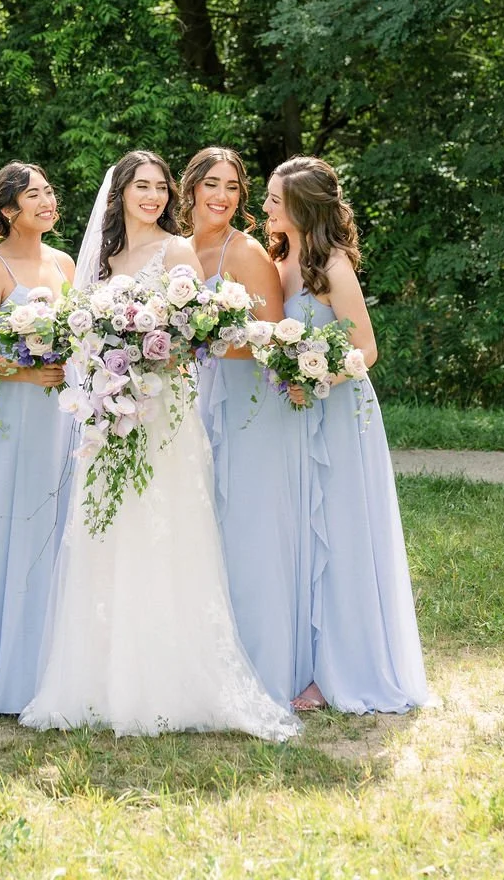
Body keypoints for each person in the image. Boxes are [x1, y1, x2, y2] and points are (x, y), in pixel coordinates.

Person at [19, 151, 300, 740]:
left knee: (166, 533)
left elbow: (192, 335)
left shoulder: (176, 252)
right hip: (107, 413)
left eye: (159, 188)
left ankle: (170, 682)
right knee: (109, 534)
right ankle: (101, 681)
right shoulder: (102, 260)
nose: (151, 197)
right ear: (119, 193)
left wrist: (158, 351)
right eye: (140, 186)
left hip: (166, 411)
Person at [265, 156, 428, 713]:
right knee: (303, 534)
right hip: (296, 412)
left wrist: (313, 376)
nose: (265, 207)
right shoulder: (280, 257)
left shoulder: (333, 266)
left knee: (339, 531)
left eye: (273, 200)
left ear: (300, 208)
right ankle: (303, 659)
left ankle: (341, 664)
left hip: (338, 411)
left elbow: (366, 350)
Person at [182, 146, 313, 709]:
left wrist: (206, 343)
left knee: (251, 529)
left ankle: (266, 668)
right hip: (194, 402)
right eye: (213, 183)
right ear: (190, 189)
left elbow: (275, 342)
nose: (223, 196)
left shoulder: (249, 251)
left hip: (250, 406)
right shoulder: (175, 252)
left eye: (234, 187)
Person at [0, 162, 75, 716]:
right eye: (34, 196)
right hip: (10, 417)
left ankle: (56, 664)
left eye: (48, 192)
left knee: (56, 527)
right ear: (7, 210)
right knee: (13, 524)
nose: (47, 202)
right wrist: (24, 373)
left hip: (61, 417)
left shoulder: (65, 262)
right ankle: (4, 672)